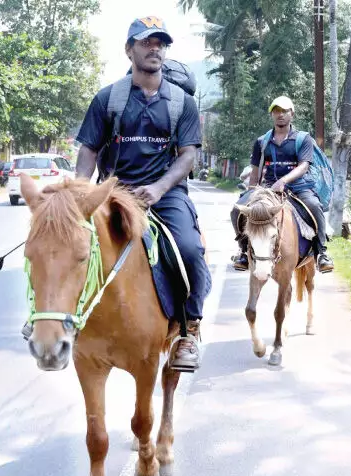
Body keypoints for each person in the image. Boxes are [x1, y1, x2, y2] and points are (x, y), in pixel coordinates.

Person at [71, 16, 211, 371]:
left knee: (191, 250)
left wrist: (160, 187)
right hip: (115, 193)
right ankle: (54, 320)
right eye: (146, 42)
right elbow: (88, 149)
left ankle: (188, 331)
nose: (154, 48)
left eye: (160, 43)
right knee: (66, 243)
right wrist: (80, 192)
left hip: (166, 195)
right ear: (129, 49)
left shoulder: (181, 103)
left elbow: (188, 155)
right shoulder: (108, 99)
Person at [231, 95, 334, 273]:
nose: (280, 115)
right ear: (271, 114)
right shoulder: (262, 142)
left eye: (284, 111)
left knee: (314, 206)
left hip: (299, 187)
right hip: (269, 188)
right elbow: (255, 171)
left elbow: (303, 166)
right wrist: (252, 192)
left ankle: (321, 253)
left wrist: (284, 180)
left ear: (292, 114)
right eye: (276, 111)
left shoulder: (303, 139)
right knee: (237, 209)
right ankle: (243, 249)